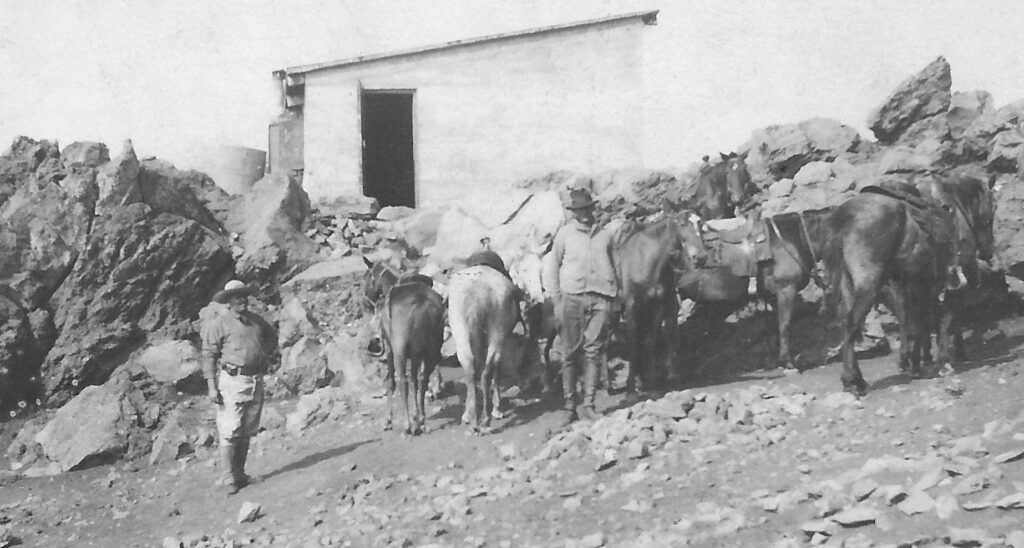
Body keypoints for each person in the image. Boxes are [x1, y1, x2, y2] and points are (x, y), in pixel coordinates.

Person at [546, 187, 619, 426]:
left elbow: (615, 265)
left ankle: (588, 404)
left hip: (600, 299)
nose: (585, 214)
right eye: (580, 210)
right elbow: (552, 268)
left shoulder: (606, 234)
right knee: (569, 352)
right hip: (572, 298)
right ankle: (569, 405)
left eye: (588, 208)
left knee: (594, 351)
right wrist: (557, 300)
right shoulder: (564, 235)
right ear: (573, 213)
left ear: (593, 209)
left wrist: (614, 296)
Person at [201, 280, 276, 495]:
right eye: (236, 297)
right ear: (228, 302)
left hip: (254, 380)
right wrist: (211, 387)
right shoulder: (219, 325)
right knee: (229, 429)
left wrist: (263, 354)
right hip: (232, 381)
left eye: (243, 296)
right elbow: (208, 355)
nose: (241, 300)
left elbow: (271, 337)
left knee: (247, 429)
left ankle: (240, 474)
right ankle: (227, 477)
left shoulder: (257, 322)